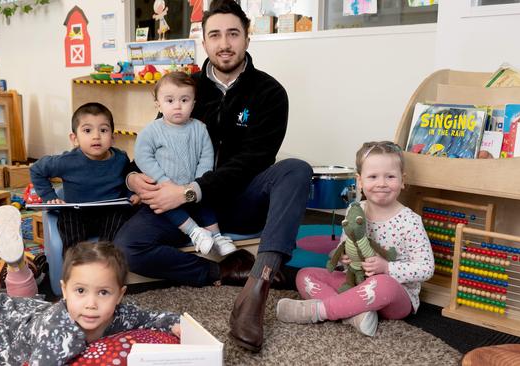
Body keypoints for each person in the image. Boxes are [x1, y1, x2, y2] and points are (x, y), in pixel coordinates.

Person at [114, 0, 312, 352]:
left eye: (233, 34)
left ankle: (258, 285)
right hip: (182, 207)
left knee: (296, 169)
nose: (224, 43)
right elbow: (151, 141)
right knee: (127, 248)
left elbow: (252, 162)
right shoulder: (184, 89)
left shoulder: (270, 93)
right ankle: (224, 272)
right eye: (215, 35)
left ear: (247, 38)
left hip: (240, 200)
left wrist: (190, 191)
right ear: (203, 42)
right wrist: (133, 178)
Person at [0, 205, 180, 364]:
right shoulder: (58, 335)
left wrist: (177, 324)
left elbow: (153, 318)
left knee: (28, 303)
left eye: (103, 292)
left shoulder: (122, 314)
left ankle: (15, 263)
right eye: (80, 291)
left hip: (24, 310)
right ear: (64, 290)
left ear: (120, 295)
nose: (91, 303)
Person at [276, 141, 435, 336]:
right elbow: (346, 245)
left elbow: (426, 268)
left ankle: (320, 311)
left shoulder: (410, 221)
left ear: (402, 180)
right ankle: (354, 314)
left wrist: (387, 268)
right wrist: (342, 257)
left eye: (390, 176)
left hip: (395, 295)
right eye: (373, 177)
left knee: (384, 283)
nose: (382, 183)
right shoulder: (355, 210)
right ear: (360, 181)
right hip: (355, 283)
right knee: (305, 275)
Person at [135, 71, 236, 256]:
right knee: (165, 207)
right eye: (170, 101)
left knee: (206, 203)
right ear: (158, 104)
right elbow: (142, 157)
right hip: (164, 188)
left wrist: (197, 182)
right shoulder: (151, 131)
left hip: (192, 187)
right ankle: (195, 232)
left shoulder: (200, 128)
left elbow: (206, 157)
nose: (178, 106)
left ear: (193, 103)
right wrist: (162, 180)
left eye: (184, 100)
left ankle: (216, 236)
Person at [30, 102, 138, 252]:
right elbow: (36, 170)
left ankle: (106, 257)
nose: (96, 136)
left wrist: (130, 194)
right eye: (87, 130)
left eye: (103, 130)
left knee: (122, 214)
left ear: (112, 138)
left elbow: (127, 180)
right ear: (74, 139)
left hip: (109, 214)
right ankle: (76, 264)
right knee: (68, 218)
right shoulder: (67, 161)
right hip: (78, 214)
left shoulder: (121, 159)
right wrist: (49, 197)